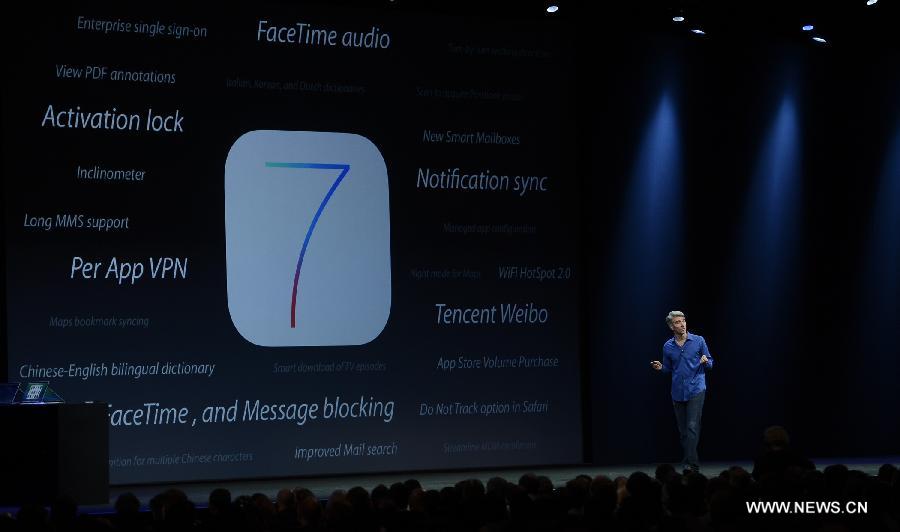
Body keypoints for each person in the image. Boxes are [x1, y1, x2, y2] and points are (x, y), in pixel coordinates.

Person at [651, 311, 714, 472]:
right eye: (678, 322)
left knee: (692, 426)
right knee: (683, 431)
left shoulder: (698, 340)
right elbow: (668, 369)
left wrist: (706, 362)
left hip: (696, 388)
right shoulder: (668, 346)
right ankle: (689, 461)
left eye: (684, 320)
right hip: (678, 391)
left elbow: (710, 363)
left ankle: (691, 465)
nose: (683, 324)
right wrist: (660, 368)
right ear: (672, 326)